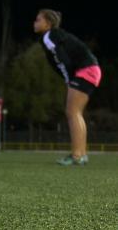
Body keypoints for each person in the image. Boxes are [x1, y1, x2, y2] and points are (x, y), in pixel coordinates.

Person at [34, 9, 102, 165]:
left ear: (48, 23)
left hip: (85, 70)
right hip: (92, 69)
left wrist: (69, 80)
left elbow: (61, 59)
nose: (35, 22)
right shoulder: (55, 35)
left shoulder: (49, 36)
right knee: (76, 113)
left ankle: (77, 155)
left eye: (38, 20)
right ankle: (82, 154)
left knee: (72, 112)